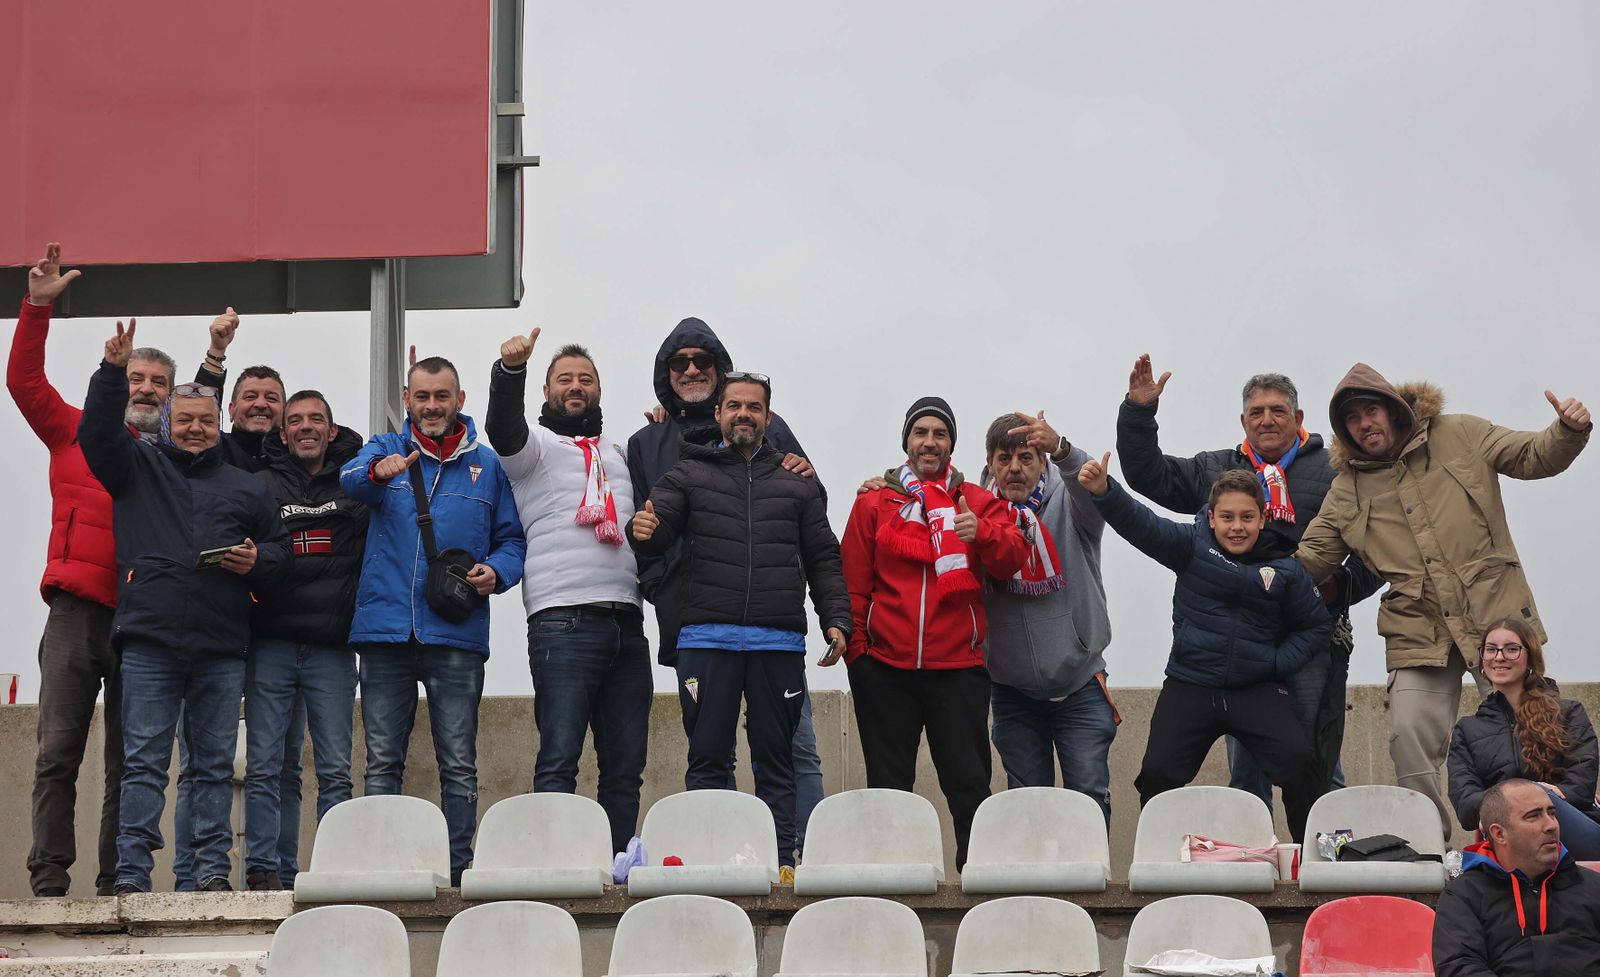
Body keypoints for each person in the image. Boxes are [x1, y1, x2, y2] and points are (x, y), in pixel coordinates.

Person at [1297, 364, 1591, 836]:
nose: (1364, 423)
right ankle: (1429, 845)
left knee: (1534, 733)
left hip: (1496, 615)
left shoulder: (1462, 433)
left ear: (1393, 408)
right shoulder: (1346, 489)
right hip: (1417, 628)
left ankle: (1538, 840)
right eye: (1351, 418)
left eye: (1370, 410)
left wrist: (1567, 430)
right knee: (1407, 737)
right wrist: (1246, 571)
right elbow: (1310, 559)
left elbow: (1532, 455)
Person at [79, 320, 290, 893]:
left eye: (205, 421)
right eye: (184, 420)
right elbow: (96, 434)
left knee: (213, 767)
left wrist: (257, 561)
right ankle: (131, 877)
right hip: (149, 640)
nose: (195, 429)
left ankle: (210, 874)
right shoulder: (135, 465)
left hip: (221, 645)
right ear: (167, 424)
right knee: (144, 764)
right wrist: (111, 373)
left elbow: (279, 553)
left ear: (219, 426)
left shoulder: (247, 486)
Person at [1116, 357, 1379, 811]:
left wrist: (1338, 587)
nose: (1266, 420)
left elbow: (1376, 550)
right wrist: (1139, 412)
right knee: (1247, 770)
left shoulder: (1337, 473)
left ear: (1299, 417)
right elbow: (1148, 475)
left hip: (1310, 641)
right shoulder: (1217, 470)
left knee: (1315, 760)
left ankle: (1324, 851)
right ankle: (1252, 852)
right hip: (1239, 649)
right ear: (1243, 421)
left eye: (1278, 410)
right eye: (1256, 412)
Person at [628, 371, 849, 878]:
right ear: (719, 414)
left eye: (753, 407)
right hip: (706, 642)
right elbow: (655, 531)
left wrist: (836, 619)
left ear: (768, 418)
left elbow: (824, 558)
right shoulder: (688, 473)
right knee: (707, 761)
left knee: (777, 765)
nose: (743, 415)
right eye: (734, 406)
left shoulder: (797, 483)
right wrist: (642, 528)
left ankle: (782, 866)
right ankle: (712, 868)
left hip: (778, 645)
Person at [9, 244, 177, 897]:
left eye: (158, 383)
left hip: (142, 621)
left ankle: (117, 882)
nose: (146, 389)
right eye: (137, 377)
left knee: (129, 762)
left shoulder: (173, 459)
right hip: (75, 612)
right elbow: (24, 384)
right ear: (117, 378)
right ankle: (49, 879)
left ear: (170, 397)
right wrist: (36, 307)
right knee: (57, 753)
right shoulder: (72, 430)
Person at [340, 354, 524, 884]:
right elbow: (349, 479)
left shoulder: (488, 466)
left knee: (459, 763)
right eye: (421, 396)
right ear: (407, 400)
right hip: (385, 634)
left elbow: (513, 540)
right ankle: (382, 872)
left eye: (442, 396)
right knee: (381, 763)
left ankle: (459, 872)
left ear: (459, 400)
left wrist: (497, 571)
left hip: (456, 635)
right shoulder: (385, 446)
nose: (431, 406)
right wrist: (377, 471)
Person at [1079, 460, 1330, 842]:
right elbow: (1142, 524)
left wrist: (1276, 662)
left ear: (1263, 519)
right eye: (1227, 517)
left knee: (1301, 767)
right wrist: (1104, 491)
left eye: (1247, 517)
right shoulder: (1190, 546)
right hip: (1191, 685)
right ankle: (1159, 858)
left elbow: (1315, 626)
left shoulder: (1286, 568)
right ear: (1211, 518)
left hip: (1257, 689)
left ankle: (1312, 860)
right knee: (1158, 774)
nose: (1237, 527)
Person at [840, 397, 1028, 868]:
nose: (929, 442)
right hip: (884, 670)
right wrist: (859, 657)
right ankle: (894, 883)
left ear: (951, 445)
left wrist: (979, 532)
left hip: (958, 668)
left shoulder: (978, 502)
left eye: (939, 434)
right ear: (906, 441)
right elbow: (853, 584)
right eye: (920, 432)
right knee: (889, 790)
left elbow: (1012, 559)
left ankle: (977, 883)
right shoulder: (874, 502)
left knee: (969, 786)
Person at [486, 328, 649, 855]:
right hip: (563, 621)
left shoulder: (620, 452)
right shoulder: (533, 448)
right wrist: (510, 371)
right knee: (559, 759)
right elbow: (502, 427)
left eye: (586, 379)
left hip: (627, 621)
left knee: (625, 766)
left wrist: (667, 425)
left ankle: (617, 867)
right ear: (546, 391)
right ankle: (555, 870)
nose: (575, 386)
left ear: (599, 390)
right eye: (564, 379)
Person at [241, 389, 369, 889]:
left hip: (332, 649)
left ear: (331, 431)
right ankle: (266, 871)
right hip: (270, 644)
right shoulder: (260, 484)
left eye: (316, 419)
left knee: (335, 769)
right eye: (296, 420)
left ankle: (334, 872)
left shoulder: (355, 482)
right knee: (268, 767)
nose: (306, 427)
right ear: (283, 431)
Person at [977, 411, 1116, 821]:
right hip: (1012, 692)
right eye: (1004, 459)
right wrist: (889, 483)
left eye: (1026, 457)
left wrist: (1062, 448)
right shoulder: (974, 515)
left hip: (1080, 685)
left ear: (1043, 463)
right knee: (1026, 808)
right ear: (990, 464)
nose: (1015, 468)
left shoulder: (1072, 506)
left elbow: (1090, 481)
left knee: (1088, 799)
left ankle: (1092, 868)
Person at [1448, 620, 1600, 860]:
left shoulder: (1568, 713)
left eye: (1511, 649)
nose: (1499, 657)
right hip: (1509, 838)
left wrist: (1533, 799)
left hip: (1572, 833)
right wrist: (1524, 797)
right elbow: (1466, 807)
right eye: (1491, 649)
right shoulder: (1467, 730)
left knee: (1536, 802)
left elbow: (1581, 789)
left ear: (1530, 657)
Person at [1433, 779, 1600, 976]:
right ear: (1499, 834)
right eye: (1533, 816)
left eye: (1552, 813)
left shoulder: (1593, 886)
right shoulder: (1464, 896)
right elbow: (1459, 967)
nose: (1551, 825)